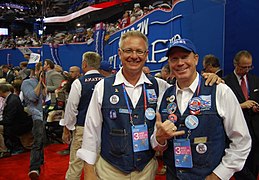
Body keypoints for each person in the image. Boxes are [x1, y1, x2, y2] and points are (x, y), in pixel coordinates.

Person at [77, 31, 221, 179]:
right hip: (110, 170)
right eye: (128, 51)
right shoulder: (103, 87)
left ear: (146, 55)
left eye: (139, 51)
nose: (134, 56)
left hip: (146, 170)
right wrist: (88, 170)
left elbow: (185, 86)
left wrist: (210, 79)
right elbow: (91, 131)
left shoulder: (161, 87)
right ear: (120, 53)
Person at [153, 38, 251, 179]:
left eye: (185, 57)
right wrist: (159, 139)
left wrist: (219, 174)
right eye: (174, 59)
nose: (180, 63)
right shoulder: (164, 96)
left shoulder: (220, 90)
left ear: (196, 59)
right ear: (169, 63)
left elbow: (242, 140)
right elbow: (157, 144)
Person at [60, 52, 104, 179]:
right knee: (98, 164)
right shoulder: (106, 82)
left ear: (84, 64)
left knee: (76, 163)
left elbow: (71, 109)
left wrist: (67, 129)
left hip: (82, 127)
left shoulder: (79, 83)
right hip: (102, 129)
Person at [224, 50, 259, 180]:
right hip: (236, 132)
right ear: (235, 64)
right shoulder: (225, 83)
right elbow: (223, 109)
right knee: (241, 170)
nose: (247, 70)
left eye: (250, 67)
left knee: (253, 168)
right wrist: (241, 106)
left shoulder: (255, 80)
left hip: (255, 133)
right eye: (244, 67)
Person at [21, 62, 46, 180]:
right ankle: (34, 168)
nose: (42, 73)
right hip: (35, 116)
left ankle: (40, 161)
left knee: (41, 141)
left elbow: (45, 98)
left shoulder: (41, 82)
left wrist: (43, 84)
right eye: (40, 70)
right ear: (34, 71)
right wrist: (40, 83)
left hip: (42, 115)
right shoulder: (27, 83)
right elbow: (32, 97)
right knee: (37, 142)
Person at [0, 83, 33, 155]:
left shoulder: (12, 100)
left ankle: (6, 149)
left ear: (1, 91)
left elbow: (9, 119)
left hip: (17, 125)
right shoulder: (12, 98)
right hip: (16, 122)